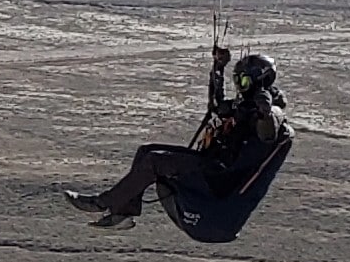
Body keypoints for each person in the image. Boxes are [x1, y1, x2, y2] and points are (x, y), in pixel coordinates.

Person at [67, 47, 286, 226]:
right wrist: (218, 69)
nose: (239, 86)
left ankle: (101, 203)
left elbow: (267, 135)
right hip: (211, 161)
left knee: (154, 162)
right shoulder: (245, 104)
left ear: (260, 80)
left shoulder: (270, 109)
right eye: (237, 80)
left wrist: (264, 113)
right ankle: (123, 213)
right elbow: (218, 107)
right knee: (146, 152)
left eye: (244, 81)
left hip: (218, 172)